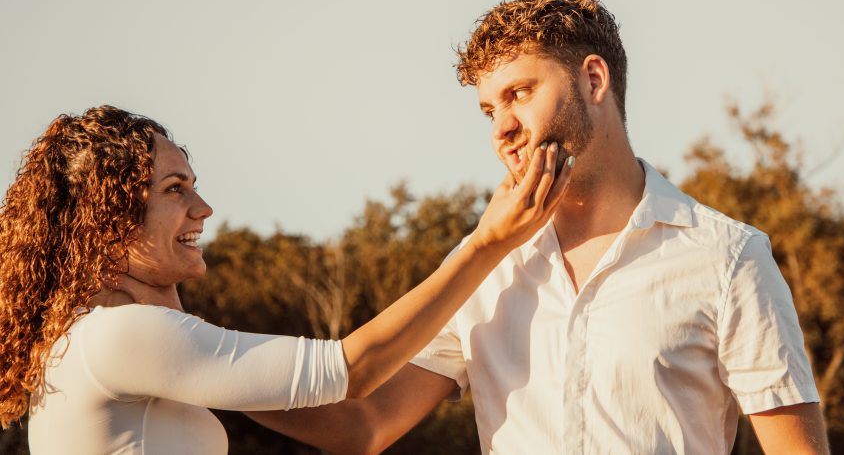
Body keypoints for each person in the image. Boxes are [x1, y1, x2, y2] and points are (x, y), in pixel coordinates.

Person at [253, 0, 830, 454]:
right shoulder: (480, 265)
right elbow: (364, 425)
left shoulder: (727, 258)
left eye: (520, 94)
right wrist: (195, 364)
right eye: (489, 109)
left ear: (593, 80)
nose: (500, 128)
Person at [0, 105, 572, 454]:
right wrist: (488, 243)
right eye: (175, 189)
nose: (204, 208)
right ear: (106, 220)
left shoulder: (98, 342)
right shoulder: (121, 338)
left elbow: (360, 431)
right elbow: (351, 370)